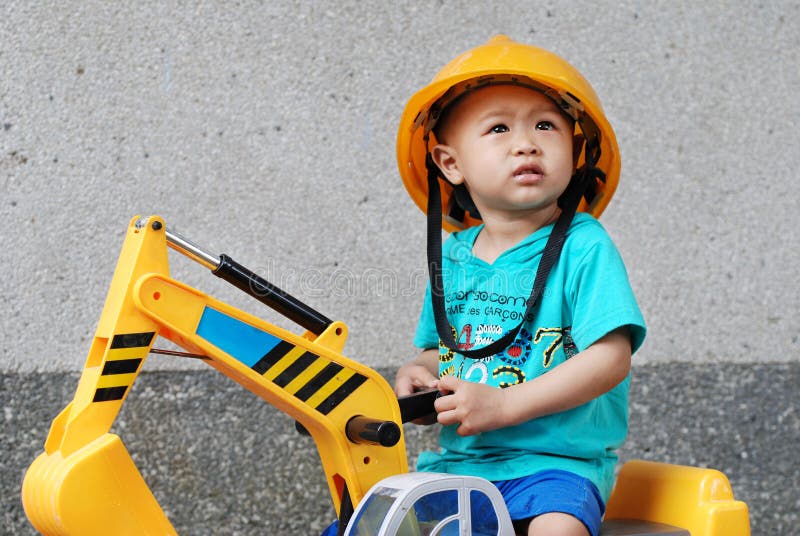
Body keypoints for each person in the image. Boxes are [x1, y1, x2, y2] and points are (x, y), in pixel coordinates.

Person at [394, 35, 647, 536]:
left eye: (545, 125)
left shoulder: (583, 246)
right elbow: (439, 352)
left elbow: (610, 357)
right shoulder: (454, 256)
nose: (526, 142)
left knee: (559, 527)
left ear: (576, 152)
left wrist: (506, 405)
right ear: (450, 164)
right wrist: (419, 375)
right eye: (499, 128)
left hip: (554, 466)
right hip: (461, 468)